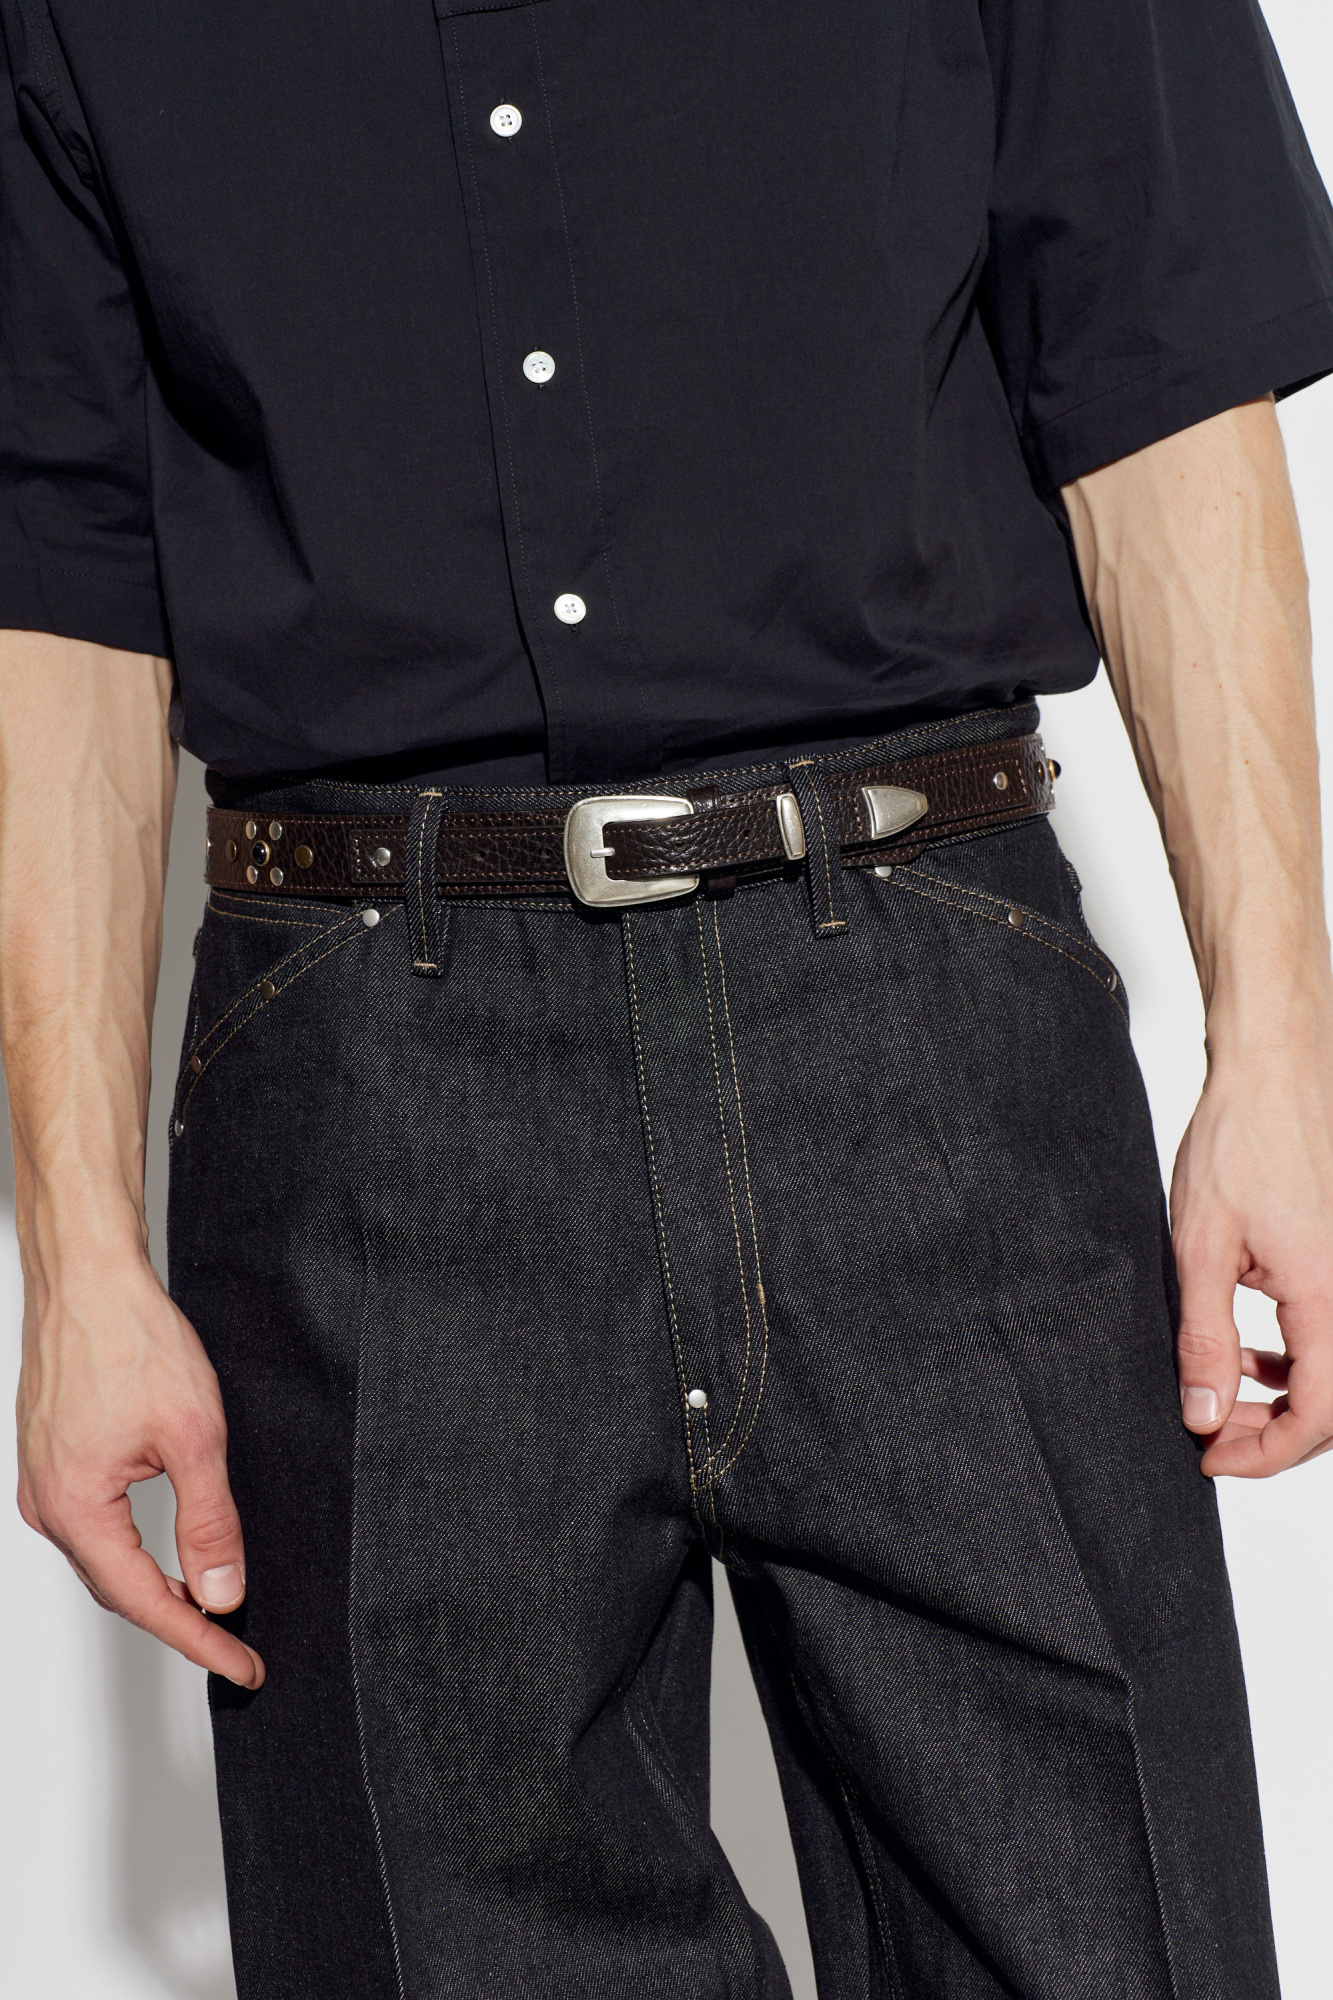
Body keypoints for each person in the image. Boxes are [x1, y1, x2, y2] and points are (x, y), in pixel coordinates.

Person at [2, 0, 1331, 1993]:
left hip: (930, 1019)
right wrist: (78, 1256)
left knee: (1100, 1937)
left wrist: (1282, 1049)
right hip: (370, 1087)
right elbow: (54, 565)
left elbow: (1157, 369)